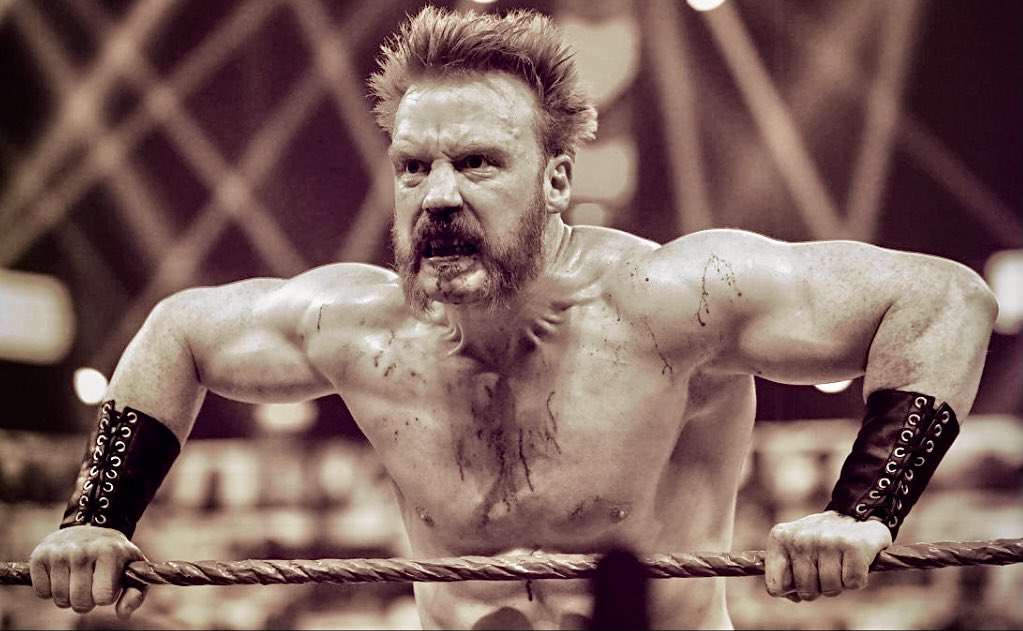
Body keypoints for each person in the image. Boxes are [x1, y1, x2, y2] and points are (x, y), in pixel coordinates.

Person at [28, 6, 998, 629]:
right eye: (414, 166)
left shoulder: (671, 300)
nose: (438, 195)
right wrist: (95, 519)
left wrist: (861, 509)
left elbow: (941, 297)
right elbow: (180, 331)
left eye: (477, 163)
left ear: (557, 179)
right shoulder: (359, 328)